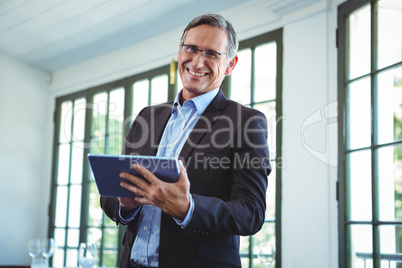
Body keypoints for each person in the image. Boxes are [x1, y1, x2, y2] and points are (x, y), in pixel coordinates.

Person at [100, 14, 271, 268]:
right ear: (180, 53)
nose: (198, 60)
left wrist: (188, 207)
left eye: (212, 53)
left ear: (230, 65)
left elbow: (251, 213)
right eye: (191, 48)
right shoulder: (147, 116)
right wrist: (125, 205)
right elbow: (112, 195)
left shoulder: (247, 121)